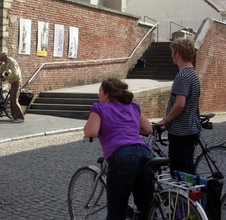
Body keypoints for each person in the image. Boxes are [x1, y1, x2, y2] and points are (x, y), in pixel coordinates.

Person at [84, 78, 153, 220]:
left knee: (116, 210)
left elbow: (91, 132)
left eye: (100, 92)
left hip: (121, 155)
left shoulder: (99, 108)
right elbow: (147, 129)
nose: (98, 95)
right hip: (144, 153)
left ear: (107, 94)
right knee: (146, 209)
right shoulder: (133, 107)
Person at [157, 37, 202, 176]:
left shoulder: (182, 76)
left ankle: (183, 198)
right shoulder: (193, 74)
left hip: (181, 132)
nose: (172, 55)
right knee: (187, 170)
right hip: (190, 129)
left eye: (172, 52)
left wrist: (167, 120)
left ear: (178, 54)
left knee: (179, 174)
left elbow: (180, 104)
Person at [0, 52, 25, 123]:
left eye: (2, 59)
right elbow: (0, 69)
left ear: (5, 56)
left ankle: (21, 117)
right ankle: (15, 117)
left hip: (16, 83)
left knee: (14, 101)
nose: (1, 61)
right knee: (12, 101)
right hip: (13, 83)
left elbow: (15, 74)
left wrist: (6, 78)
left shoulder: (11, 62)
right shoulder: (6, 63)